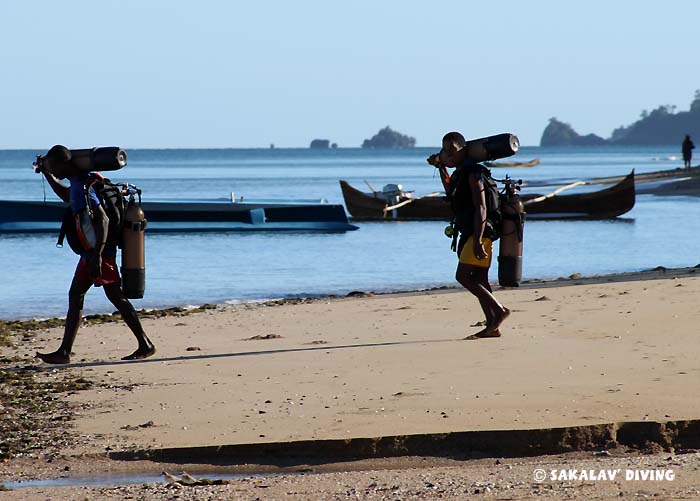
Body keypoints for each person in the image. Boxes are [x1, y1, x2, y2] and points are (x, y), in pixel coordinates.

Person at [35, 145, 156, 364]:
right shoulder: (80, 182)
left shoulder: (83, 186)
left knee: (115, 296)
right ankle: (64, 352)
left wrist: (98, 255)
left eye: (54, 167)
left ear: (64, 163)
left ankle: (145, 344)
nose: (54, 171)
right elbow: (66, 196)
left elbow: (103, 220)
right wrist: (46, 173)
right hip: (92, 252)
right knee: (77, 295)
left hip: (99, 252)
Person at [428, 132, 510, 338]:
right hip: (473, 230)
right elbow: (450, 191)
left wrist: (478, 241)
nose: (448, 155)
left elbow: (481, 207)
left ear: (463, 149)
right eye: (445, 151)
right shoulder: (461, 173)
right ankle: (493, 326)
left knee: (462, 276)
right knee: (480, 278)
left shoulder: (473, 173)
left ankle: (500, 311)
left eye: (452, 151)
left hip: (480, 231)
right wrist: (441, 167)